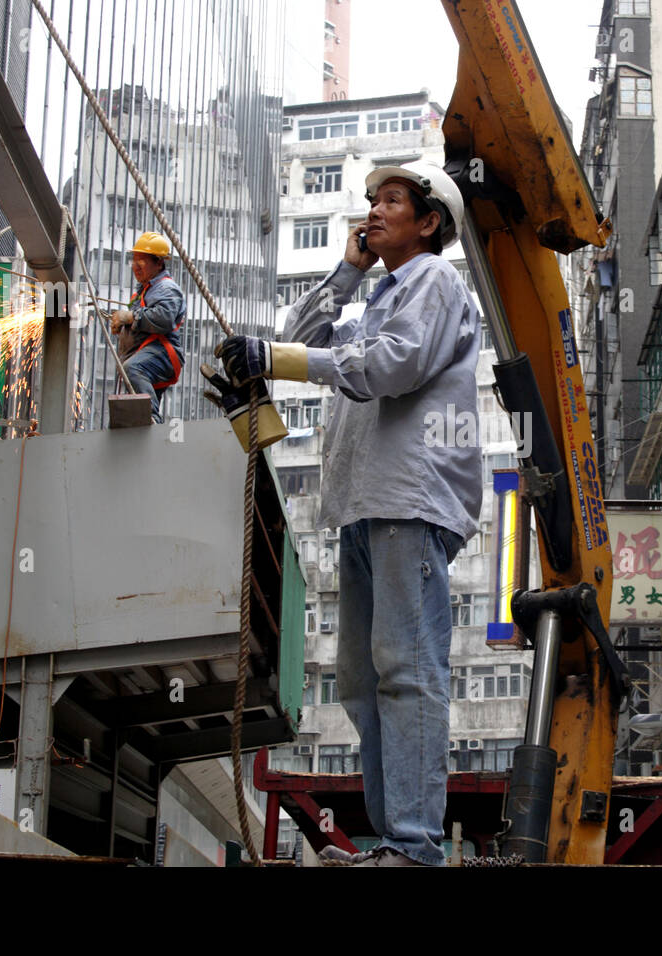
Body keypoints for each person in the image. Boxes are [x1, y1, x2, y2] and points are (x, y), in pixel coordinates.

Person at [208, 160, 480, 867]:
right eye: (371, 202)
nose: (373, 212)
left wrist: (283, 355)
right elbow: (298, 341)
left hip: (410, 499)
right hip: (365, 502)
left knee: (407, 670)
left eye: (392, 201)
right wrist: (347, 272)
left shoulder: (436, 284)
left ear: (430, 222)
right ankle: (396, 842)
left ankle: (415, 846)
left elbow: (389, 367)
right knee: (365, 680)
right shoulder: (381, 295)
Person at [109, 231, 185, 423]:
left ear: (158, 263)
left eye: (141, 260)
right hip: (147, 354)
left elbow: (164, 318)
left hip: (162, 353)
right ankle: (147, 423)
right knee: (137, 398)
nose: (135, 266)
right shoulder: (144, 292)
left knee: (133, 369)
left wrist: (131, 316)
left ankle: (149, 417)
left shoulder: (166, 288)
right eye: (134, 260)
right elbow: (138, 322)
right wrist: (123, 324)